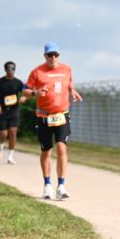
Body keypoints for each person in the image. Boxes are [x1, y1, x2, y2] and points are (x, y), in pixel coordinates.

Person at [23, 42, 82, 200]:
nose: (53, 57)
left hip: (62, 115)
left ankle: (61, 185)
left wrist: (72, 90)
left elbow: (69, 83)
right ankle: (47, 185)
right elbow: (25, 91)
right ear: (45, 56)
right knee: (46, 150)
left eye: (56, 54)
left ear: (59, 56)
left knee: (62, 148)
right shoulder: (37, 72)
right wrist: (36, 92)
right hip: (44, 117)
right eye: (50, 55)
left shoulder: (66, 69)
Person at [0, 61, 25, 164]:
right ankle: (0, 145)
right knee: (3, 134)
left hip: (14, 110)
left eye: (13, 69)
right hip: (2, 111)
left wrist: (24, 97)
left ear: (15, 69)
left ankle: (10, 157)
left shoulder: (18, 82)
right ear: (5, 70)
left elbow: (26, 92)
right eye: (9, 69)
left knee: (13, 133)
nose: (11, 71)